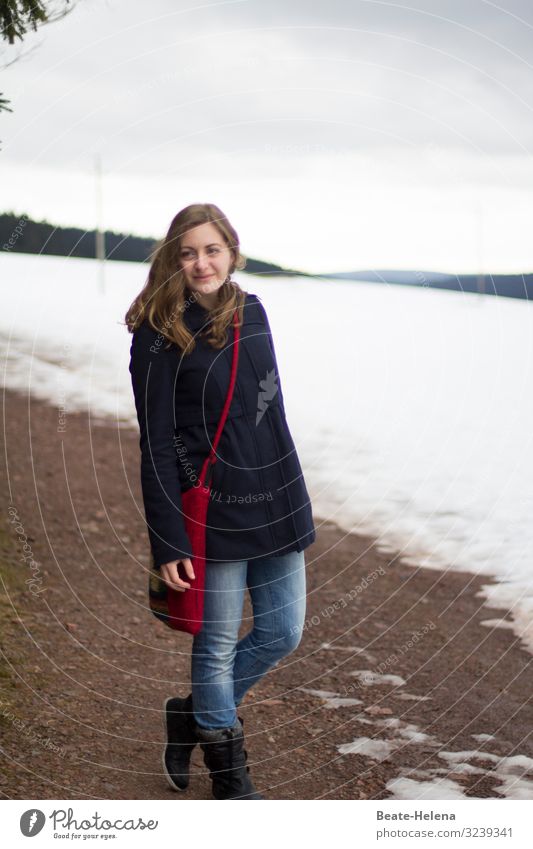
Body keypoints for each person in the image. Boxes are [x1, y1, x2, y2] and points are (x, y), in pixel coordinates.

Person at [125, 203, 316, 800]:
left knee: (283, 632)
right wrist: (169, 539)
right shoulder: (158, 335)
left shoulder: (253, 310)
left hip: (275, 496)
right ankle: (231, 782)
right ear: (173, 259)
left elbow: (270, 409)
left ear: (232, 251)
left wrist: (292, 492)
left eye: (212, 250)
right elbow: (157, 442)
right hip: (213, 509)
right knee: (216, 642)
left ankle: (192, 714)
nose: (201, 263)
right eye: (188, 252)